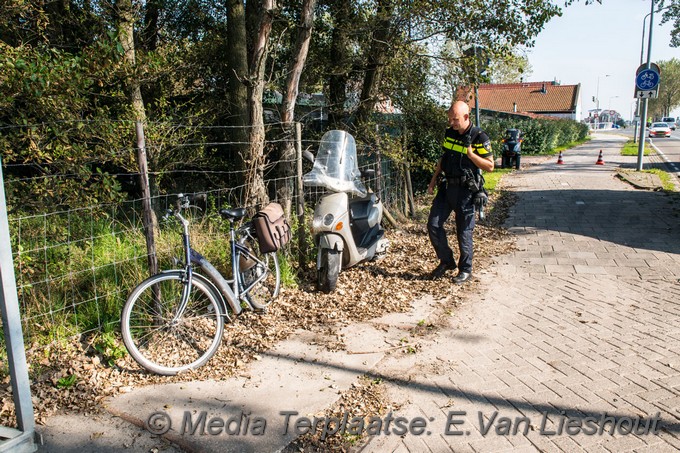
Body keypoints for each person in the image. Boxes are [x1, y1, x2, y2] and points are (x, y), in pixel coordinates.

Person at [427, 101, 494, 284]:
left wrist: (471, 155)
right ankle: (447, 261)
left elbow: (490, 166)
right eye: (450, 119)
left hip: (466, 191)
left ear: (466, 117)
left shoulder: (479, 136)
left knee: (464, 232)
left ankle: (465, 269)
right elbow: (443, 158)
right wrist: (433, 181)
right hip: (447, 187)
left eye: (455, 119)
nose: (452, 123)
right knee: (433, 224)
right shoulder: (449, 133)